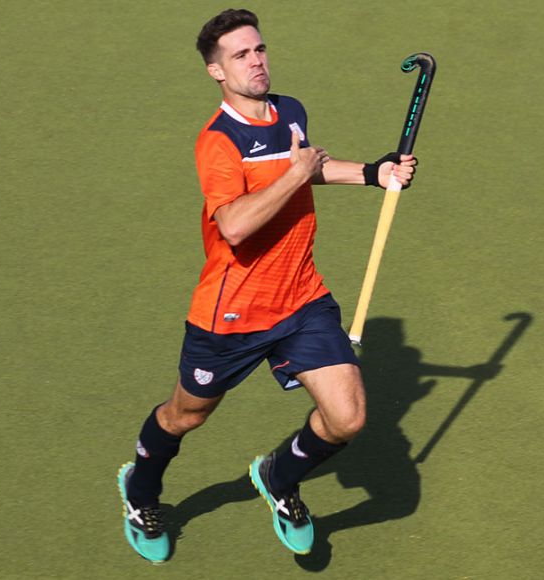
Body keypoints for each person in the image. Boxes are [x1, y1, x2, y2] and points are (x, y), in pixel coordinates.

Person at [116, 8, 417, 563]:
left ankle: (279, 476)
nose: (256, 61)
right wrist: (295, 174)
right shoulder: (218, 142)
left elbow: (311, 166)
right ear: (215, 71)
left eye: (259, 49)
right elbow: (233, 223)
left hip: (301, 298)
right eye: (240, 55)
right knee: (187, 414)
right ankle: (141, 490)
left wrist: (375, 172)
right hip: (231, 314)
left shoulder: (290, 111)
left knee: (348, 418)